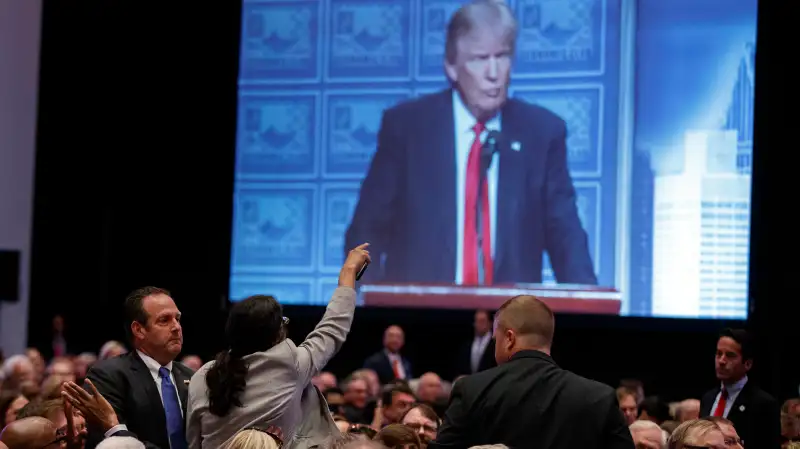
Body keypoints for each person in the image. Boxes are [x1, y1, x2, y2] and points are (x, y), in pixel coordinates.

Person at [344, 0, 596, 286]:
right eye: (479, 58)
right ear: (451, 66)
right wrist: (374, 312)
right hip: (419, 319)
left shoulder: (542, 133)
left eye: (502, 56)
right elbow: (366, 233)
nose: (494, 73)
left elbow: (567, 240)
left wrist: (591, 318)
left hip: (509, 322)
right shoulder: (407, 129)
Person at [185, 243, 371, 449]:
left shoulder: (202, 376)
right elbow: (333, 327)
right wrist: (348, 272)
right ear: (276, 335)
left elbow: (193, 442)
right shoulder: (290, 365)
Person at [429, 295, 633, 448]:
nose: (494, 347)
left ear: (509, 338)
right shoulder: (599, 398)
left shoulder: (471, 391)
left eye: (495, 341)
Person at [84, 286, 195, 449]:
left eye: (177, 319)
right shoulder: (109, 375)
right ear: (139, 329)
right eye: (164, 320)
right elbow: (114, 443)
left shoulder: (192, 377)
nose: (176, 327)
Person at [699, 328, 780, 449]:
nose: (721, 361)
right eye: (719, 353)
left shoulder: (763, 404)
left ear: (747, 364)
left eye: (730, 355)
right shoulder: (708, 398)